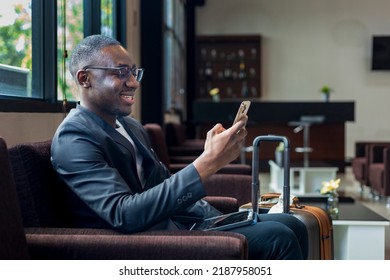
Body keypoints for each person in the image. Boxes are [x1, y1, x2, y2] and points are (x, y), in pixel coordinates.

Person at [51, 34, 308, 260]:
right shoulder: (74, 137)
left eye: (134, 72)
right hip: (140, 242)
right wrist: (207, 164)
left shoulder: (131, 127)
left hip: (181, 223)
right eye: (120, 72)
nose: (133, 82)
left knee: (292, 223)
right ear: (85, 78)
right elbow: (123, 214)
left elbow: (162, 183)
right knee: (279, 236)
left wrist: (218, 217)